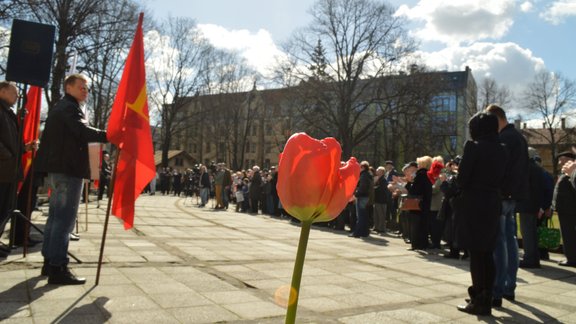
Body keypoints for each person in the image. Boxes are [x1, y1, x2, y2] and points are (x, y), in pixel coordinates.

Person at [35, 74, 108, 285]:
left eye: (87, 88)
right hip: (68, 170)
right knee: (64, 220)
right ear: (69, 87)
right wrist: (109, 134)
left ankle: (49, 262)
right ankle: (58, 267)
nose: (85, 91)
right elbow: (82, 131)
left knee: (55, 217)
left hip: (61, 169)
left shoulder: (63, 106)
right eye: (81, 87)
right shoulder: (69, 107)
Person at [456, 112, 508, 316]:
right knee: (487, 252)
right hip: (492, 202)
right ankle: (487, 296)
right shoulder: (503, 150)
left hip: (474, 202)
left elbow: (462, 180)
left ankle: (478, 300)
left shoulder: (473, 147)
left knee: (476, 254)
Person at [486, 104, 529, 307]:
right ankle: (509, 287)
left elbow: (499, 168)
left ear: (496, 119)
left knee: (500, 242)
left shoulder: (504, 138)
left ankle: (497, 289)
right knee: (510, 241)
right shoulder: (519, 137)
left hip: (503, 195)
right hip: (514, 195)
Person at [517, 147, 553, 268]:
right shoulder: (537, 168)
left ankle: (530, 258)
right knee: (530, 232)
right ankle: (533, 257)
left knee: (527, 233)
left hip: (526, 205)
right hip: (532, 205)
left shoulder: (527, 168)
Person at [552, 151, 576, 267]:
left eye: (563, 159)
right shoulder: (565, 173)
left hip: (569, 210)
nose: (560, 162)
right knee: (567, 235)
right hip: (564, 209)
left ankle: (571, 258)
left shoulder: (570, 174)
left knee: (569, 235)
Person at [406, 156, 432, 251]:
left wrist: (409, 183)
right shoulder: (429, 174)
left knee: (415, 225)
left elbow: (414, 190)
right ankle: (423, 244)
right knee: (423, 225)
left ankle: (416, 244)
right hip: (426, 203)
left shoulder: (420, 175)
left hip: (418, 203)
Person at [351, 161, 372, 238]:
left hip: (362, 197)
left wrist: (355, 195)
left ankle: (357, 233)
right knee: (364, 216)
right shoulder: (367, 175)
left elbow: (362, 188)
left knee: (360, 216)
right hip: (365, 197)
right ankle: (364, 232)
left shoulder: (363, 176)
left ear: (362, 167)